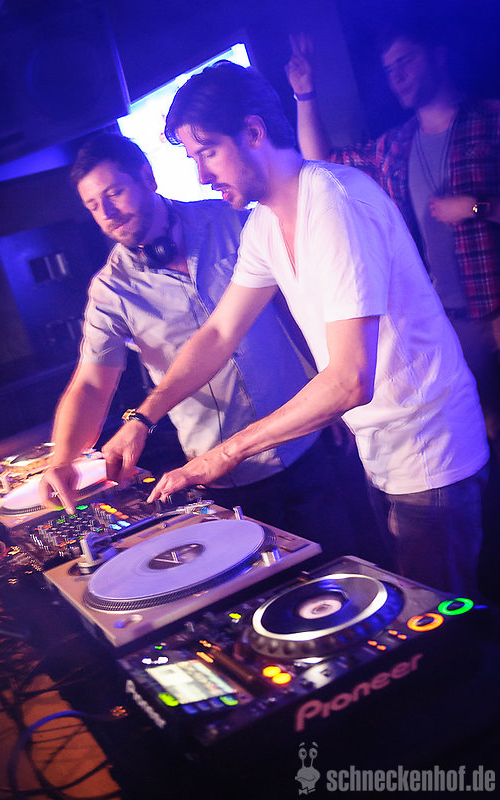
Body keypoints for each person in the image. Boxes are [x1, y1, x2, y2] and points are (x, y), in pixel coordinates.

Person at [126, 60, 489, 597]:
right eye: (192, 159)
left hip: (430, 449)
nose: (201, 175)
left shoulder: (335, 203)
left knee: (435, 627)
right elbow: (220, 334)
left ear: (253, 132)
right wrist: (144, 416)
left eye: (208, 152)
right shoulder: (264, 223)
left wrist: (225, 453)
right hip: (383, 450)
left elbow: (350, 380)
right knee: (411, 611)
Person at [39, 126, 363, 560]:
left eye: (114, 193)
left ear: (147, 177)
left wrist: (327, 389)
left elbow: (297, 309)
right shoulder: (110, 290)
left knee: (342, 567)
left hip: (303, 441)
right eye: (94, 205)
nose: (107, 213)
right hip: (221, 476)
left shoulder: (230, 220)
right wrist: (62, 458)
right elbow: (92, 384)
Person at [289, 22, 500, 461]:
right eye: (389, 70)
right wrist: (305, 94)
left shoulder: (491, 120)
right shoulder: (397, 146)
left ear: (438, 56)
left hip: (496, 307)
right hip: (451, 321)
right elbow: (322, 163)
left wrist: (478, 207)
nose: (397, 77)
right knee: (484, 436)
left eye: (406, 62)